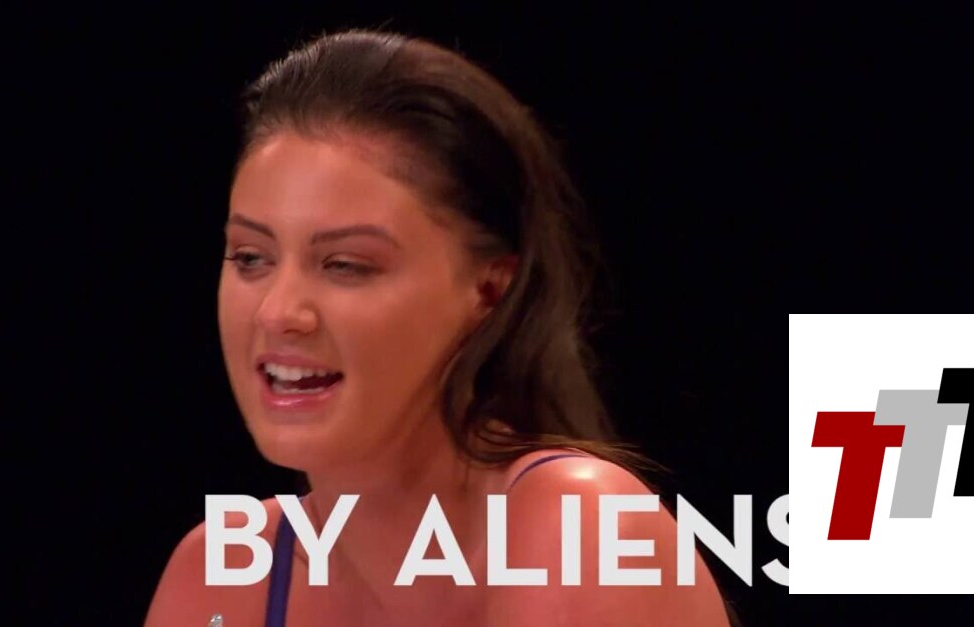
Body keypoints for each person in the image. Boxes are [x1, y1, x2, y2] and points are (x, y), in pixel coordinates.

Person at [144, 28, 731, 627]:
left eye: (345, 264)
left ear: (489, 290)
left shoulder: (581, 532)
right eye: (250, 258)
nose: (276, 312)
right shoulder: (216, 574)